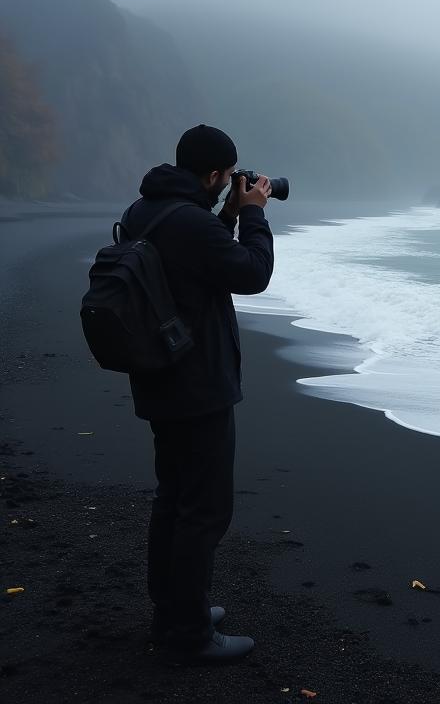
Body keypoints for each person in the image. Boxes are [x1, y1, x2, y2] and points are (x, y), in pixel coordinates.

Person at [121, 124, 274, 665]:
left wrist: (229, 213)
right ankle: (185, 631)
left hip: (159, 375)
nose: (233, 183)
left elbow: (199, 261)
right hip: (197, 383)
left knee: (174, 497)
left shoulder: (149, 209)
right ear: (214, 175)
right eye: (229, 177)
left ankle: (173, 606)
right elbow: (252, 273)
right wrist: (253, 214)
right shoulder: (190, 223)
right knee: (204, 510)